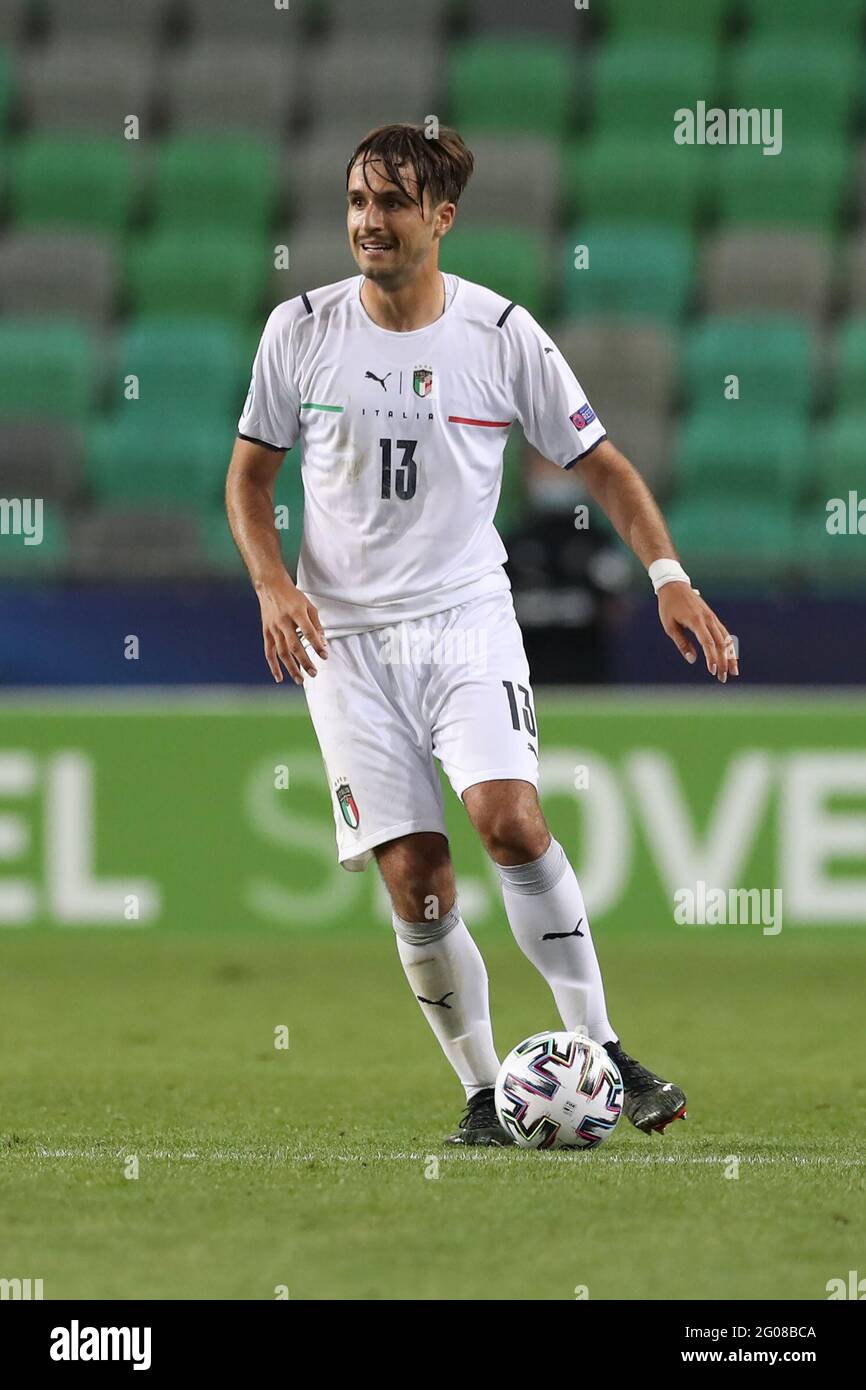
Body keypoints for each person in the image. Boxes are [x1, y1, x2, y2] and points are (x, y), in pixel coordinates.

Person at [226, 124, 738, 1145]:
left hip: (463, 621)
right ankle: (477, 1092)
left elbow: (601, 465)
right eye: (358, 203)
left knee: (507, 818)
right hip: (347, 646)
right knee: (415, 879)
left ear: (439, 219)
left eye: (392, 204)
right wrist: (274, 586)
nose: (370, 222)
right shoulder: (300, 329)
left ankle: (601, 1050)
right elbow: (248, 478)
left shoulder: (500, 335)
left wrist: (667, 575)